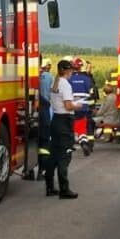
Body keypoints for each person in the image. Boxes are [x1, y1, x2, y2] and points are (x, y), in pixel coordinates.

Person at [46, 58, 78, 199]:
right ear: (65, 70)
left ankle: (50, 187)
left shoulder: (55, 82)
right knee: (65, 155)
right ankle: (64, 189)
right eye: (70, 70)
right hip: (65, 121)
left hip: (56, 120)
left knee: (53, 155)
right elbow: (68, 106)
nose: (72, 72)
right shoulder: (65, 84)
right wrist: (78, 105)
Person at [68, 57, 98, 142]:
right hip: (85, 107)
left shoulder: (69, 78)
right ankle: (90, 141)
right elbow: (92, 93)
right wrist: (92, 107)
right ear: (81, 67)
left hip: (72, 107)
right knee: (87, 124)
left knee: (71, 123)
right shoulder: (87, 79)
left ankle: (72, 141)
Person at [36, 60, 53, 180]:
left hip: (31, 112)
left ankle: (30, 170)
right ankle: (42, 171)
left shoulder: (31, 76)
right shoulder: (49, 77)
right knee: (44, 142)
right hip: (45, 109)